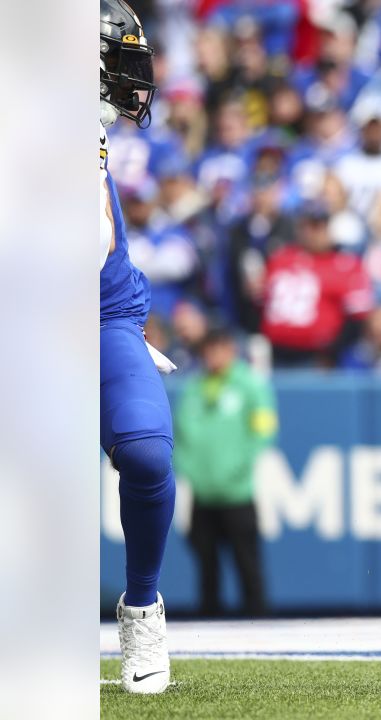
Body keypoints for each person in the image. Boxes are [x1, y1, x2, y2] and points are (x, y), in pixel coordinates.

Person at [100, 0, 178, 694]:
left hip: (98, 311)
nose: (129, 73)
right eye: (113, 55)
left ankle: (143, 605)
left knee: (147, 450)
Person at [174, 328, 278, 617]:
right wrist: (191, 471)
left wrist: (237, 467)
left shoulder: (250, 385)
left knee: (247, 561)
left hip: (237, 491)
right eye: (208, 350)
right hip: (202, 492)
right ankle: (208, 621)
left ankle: (258, 618)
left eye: (219, 348)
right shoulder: (195, 388)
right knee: (205, 561)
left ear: (231, 349)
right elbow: (181, 436)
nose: (213, 356)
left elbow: (263, 431)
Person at [259, 200, 375, 368]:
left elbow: (357, 320)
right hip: (274, 353)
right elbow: (260, 302)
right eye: (304, 225)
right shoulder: (280, 259)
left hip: (316, 358)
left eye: (316, 226)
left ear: (328, 228)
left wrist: (332, 352)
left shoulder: (347, 265)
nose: (309, 232)